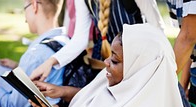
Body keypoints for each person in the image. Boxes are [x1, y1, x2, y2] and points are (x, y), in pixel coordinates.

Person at [30, 23, 189, 107]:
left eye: (114, 60)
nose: (106, 62)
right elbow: (103, 96)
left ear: (139, 72)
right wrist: (63, 91)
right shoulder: (136, 90)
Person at [30, 0, 165, 82]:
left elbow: (157, 29)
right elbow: (80, 39)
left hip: (136, 66)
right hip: (103, 65)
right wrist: (49, 62)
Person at [0, 0, 70, 107]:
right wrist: (19, 67)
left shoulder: (35, 54)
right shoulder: (65, 41)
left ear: (34, 5)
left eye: (25, 8)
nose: (24, 18)